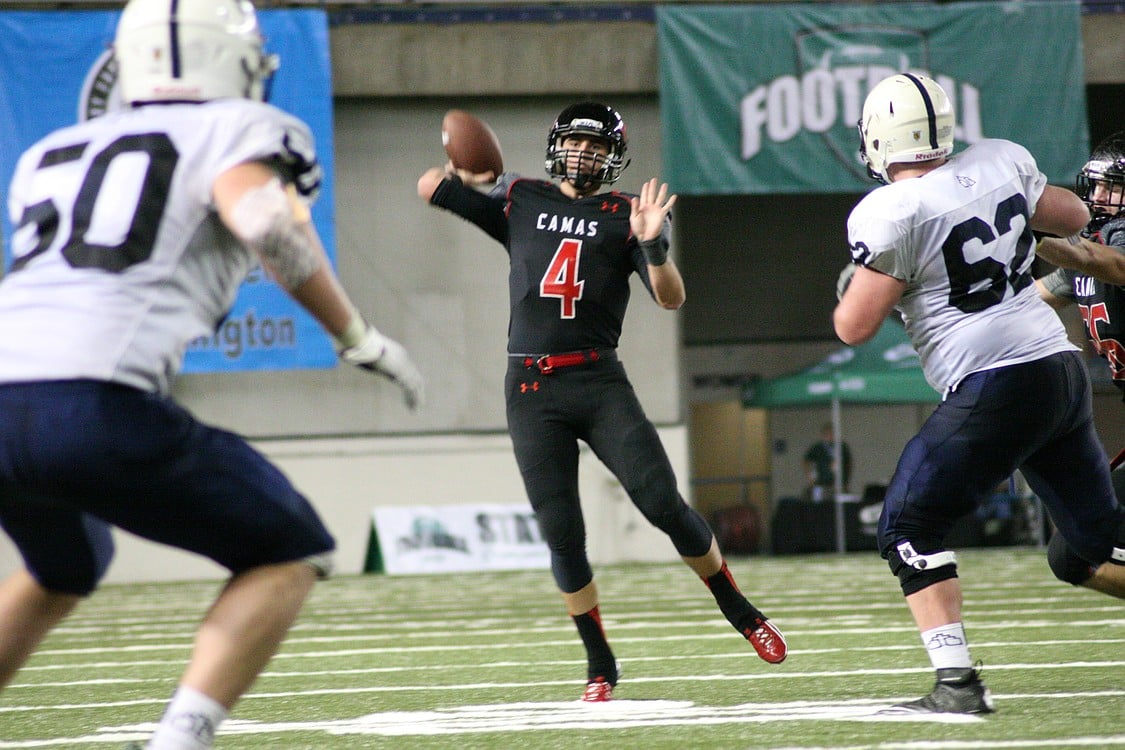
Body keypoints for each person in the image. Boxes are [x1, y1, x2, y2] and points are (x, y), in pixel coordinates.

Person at [0, 0, 423, 747]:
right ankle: (180, 739)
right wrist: (355, 336)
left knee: (66, 563)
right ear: (230, 57)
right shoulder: (236, 128)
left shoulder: (52, 152)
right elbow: (265, 225)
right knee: (291, 550)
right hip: (90, 397)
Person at [417, 101, 786, 702]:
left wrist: (656, 246)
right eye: (576, 143)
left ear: (613, 157)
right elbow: (429, 184)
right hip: (532, 389)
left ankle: (741, 611)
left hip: (597, 381)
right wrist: (479, 176)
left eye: (596, 147)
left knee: (664, 504)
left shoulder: (625, 216)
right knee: (563, 532)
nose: (584, 155)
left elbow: (670, 298)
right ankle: (599, 664)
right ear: (557, 145)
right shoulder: (523, 200)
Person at [834, 73, 1125, 716]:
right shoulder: (1001, 159)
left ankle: (957, 684)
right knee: (1095, 543)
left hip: (994, 379)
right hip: (1058, 369)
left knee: (907, 524)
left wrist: (860, 281)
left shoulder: (890, 211)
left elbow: (853, 327)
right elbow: (1076, 216)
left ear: (881, 138)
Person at [1034, 131, 1125, 500]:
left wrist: (1027, 231)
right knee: (1074, 552)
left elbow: (1115, 265)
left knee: (1101, 538)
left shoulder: (1106, 251)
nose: (1099, 197)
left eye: (1113, 187)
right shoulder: (1092, 250)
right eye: (1098, 185)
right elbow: (1028, 301)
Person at [802, 421, 852, 500]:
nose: (830, 436)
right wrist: (810, 477)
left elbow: (848, 464)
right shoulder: (818, 447)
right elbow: (806, 461)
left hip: (838, 484)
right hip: (822, 483)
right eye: (827, 434)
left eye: (832, 433)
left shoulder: (842, 447)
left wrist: (846, 480)